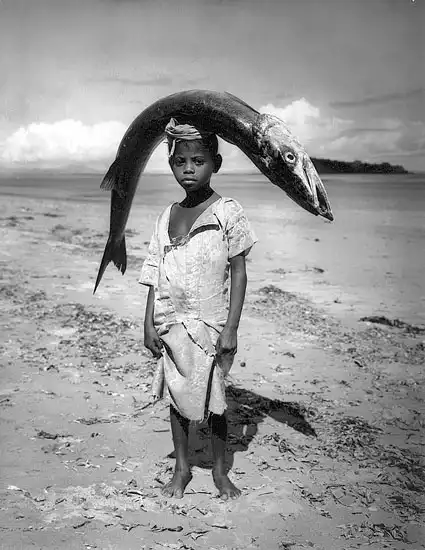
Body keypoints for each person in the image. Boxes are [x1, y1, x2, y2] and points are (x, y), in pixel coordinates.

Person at [139, 118, 257, 500]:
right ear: (171, 165)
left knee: (215, 398)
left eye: (198, 161)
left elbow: (238, 272)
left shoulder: (227, 212)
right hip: (171, 319)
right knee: (176, 395)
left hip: (211, 321)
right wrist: (148, 323)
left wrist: (232, 327)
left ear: (215, 164)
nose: (188, 169)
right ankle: (182, 467)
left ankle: (220, 472)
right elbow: (155, 271)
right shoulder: (166, 216)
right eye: (180, 162)